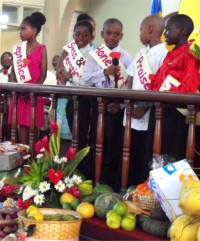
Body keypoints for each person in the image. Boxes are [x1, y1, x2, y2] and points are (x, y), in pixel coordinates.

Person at [82, 18, 132, 189]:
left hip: (116, 106)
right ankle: (96, 180)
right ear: (102, 34)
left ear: (122, 35)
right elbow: (86, 79)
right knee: (97, 143)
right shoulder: (93, 55)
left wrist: (120, 105)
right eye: (108, 33)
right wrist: (104, 71)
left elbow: (129, 83)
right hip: (98, 103)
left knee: (114, 146)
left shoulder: (125, 56)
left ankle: (110, 183)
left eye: (116, 34)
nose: (112, 37)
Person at [146, 14, 200, 165]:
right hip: (157, 110)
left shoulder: (189, 57)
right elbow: (156, 80)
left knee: (168, 156)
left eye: (168, 29)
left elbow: (189, 88)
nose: (164, 34)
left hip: (173, 115)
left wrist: (167, 95)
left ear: (182, 31)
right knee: (152, 155)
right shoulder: (170, 54)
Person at [123, 15, 168, 186]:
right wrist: (127, 102)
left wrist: (143, 107)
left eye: (141, 29)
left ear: (150, 29)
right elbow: (130, 79)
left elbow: (162, 86)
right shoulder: (141, 53)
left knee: (145, 158)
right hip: (131, 113)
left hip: (148, 116)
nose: (139, 33)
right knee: (130, 157)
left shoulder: (164, 53)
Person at [56, 20, 94, 176]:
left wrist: (72, 76)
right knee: (74, 136)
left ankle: (82, 170)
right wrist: (62, 72)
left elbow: (89, 77)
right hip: (71, 98)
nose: (81, 38)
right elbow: (59, 68)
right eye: (77, 34)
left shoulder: (92, 53)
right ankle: (76, 169)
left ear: (91, 37)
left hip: (85, 99)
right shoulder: (69, 50)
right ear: (73, 35)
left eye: (86, 35)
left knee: (82, 136)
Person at [8, 12, 47, 145]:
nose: (20, 32)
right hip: (19, 94)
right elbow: (13, 71)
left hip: (33, 95)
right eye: (20, 28)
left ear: (34, 31)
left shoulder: (42, 48)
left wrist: (33, 91)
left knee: (33, 130)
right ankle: (23, 158)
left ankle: (32, 160)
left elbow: (43, 74)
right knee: (20, 128)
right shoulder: (18, 49)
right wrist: (17, 89)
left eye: (23, 28)